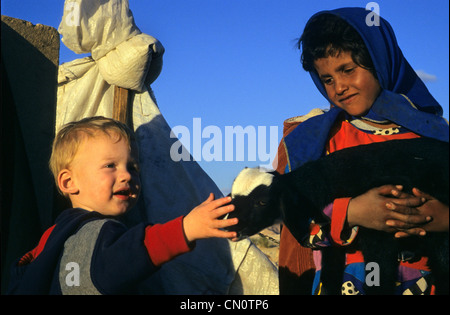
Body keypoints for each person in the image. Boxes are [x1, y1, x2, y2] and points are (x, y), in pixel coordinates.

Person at [276, 7, 449, 295]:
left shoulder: (433, 132)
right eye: (328, 79)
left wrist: (441, 217)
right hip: (345, 281)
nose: (339, 87)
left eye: (348, 70)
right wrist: (353, 212)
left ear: (380, 62)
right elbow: (295, 215)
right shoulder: (318, 139)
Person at [7, 116, 238, 294]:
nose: (127, 175)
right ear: (69, 182)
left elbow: (23, 267)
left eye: (133, 167)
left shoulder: (54, 233)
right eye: (110, 166)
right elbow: (135, 250)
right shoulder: (102, 231)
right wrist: (187, 228)